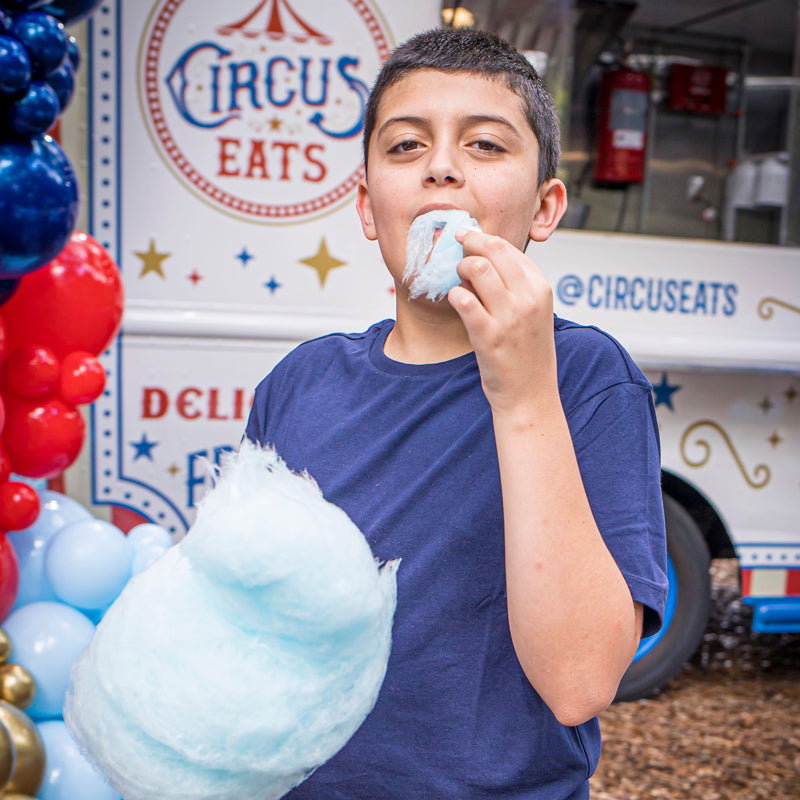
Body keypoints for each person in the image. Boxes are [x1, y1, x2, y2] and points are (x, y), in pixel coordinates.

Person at [244, 25, 667, 800]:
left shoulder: (587, 379)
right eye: (406, 147)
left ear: (545, 208)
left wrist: (525, 389)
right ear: (369, 207)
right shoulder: (297, 384)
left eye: (485, 146)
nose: (441, 167)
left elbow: (579, 683)